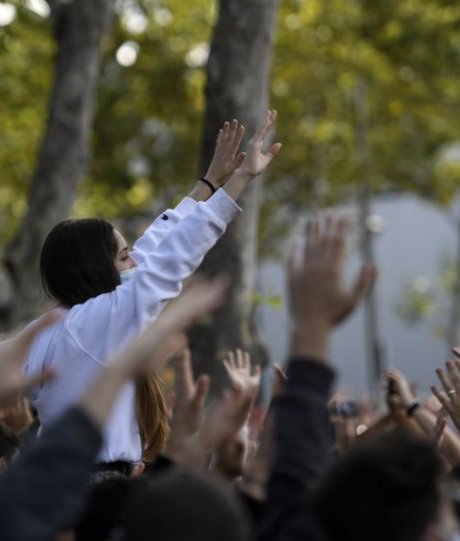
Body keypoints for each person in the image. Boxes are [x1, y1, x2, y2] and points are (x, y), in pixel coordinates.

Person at [21, 113, 281, 473]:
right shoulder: (97, 322)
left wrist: (206, 186)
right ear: (95, 269)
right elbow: (173, 258)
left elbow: (153, 249)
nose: (135, 264)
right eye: (124, 257)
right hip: (93, 490)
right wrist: (240, 180)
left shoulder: (49, 329)